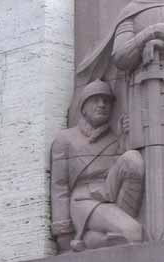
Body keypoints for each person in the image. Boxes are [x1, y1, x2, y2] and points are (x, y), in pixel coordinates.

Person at [76, 1, 164, 239]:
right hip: (143, 93)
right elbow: (121, 56)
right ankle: (140, 230)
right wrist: (149, 34)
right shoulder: (131, 11)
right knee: (140, 161)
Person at [51, 80, 144, 252]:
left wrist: (125, 139)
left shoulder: (114, 138)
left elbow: (124, 173)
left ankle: (90, 240)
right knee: (133, 232)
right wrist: (62, 232)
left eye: (106, 101)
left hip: (111, 197)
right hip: (84, 200)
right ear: (83, 107)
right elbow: (59, 186)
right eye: (96, 99)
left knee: (132, 158)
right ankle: (90, 238)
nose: (102, 105)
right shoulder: (65, 139)